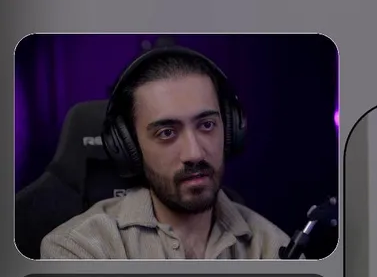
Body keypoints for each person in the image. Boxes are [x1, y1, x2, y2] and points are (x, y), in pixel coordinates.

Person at [40, 47, 289, 259]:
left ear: (231, 129)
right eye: (167, 132)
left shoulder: (272, 248)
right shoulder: (78, 248)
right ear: (130, 147)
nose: (194, 153)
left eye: (206, 125)